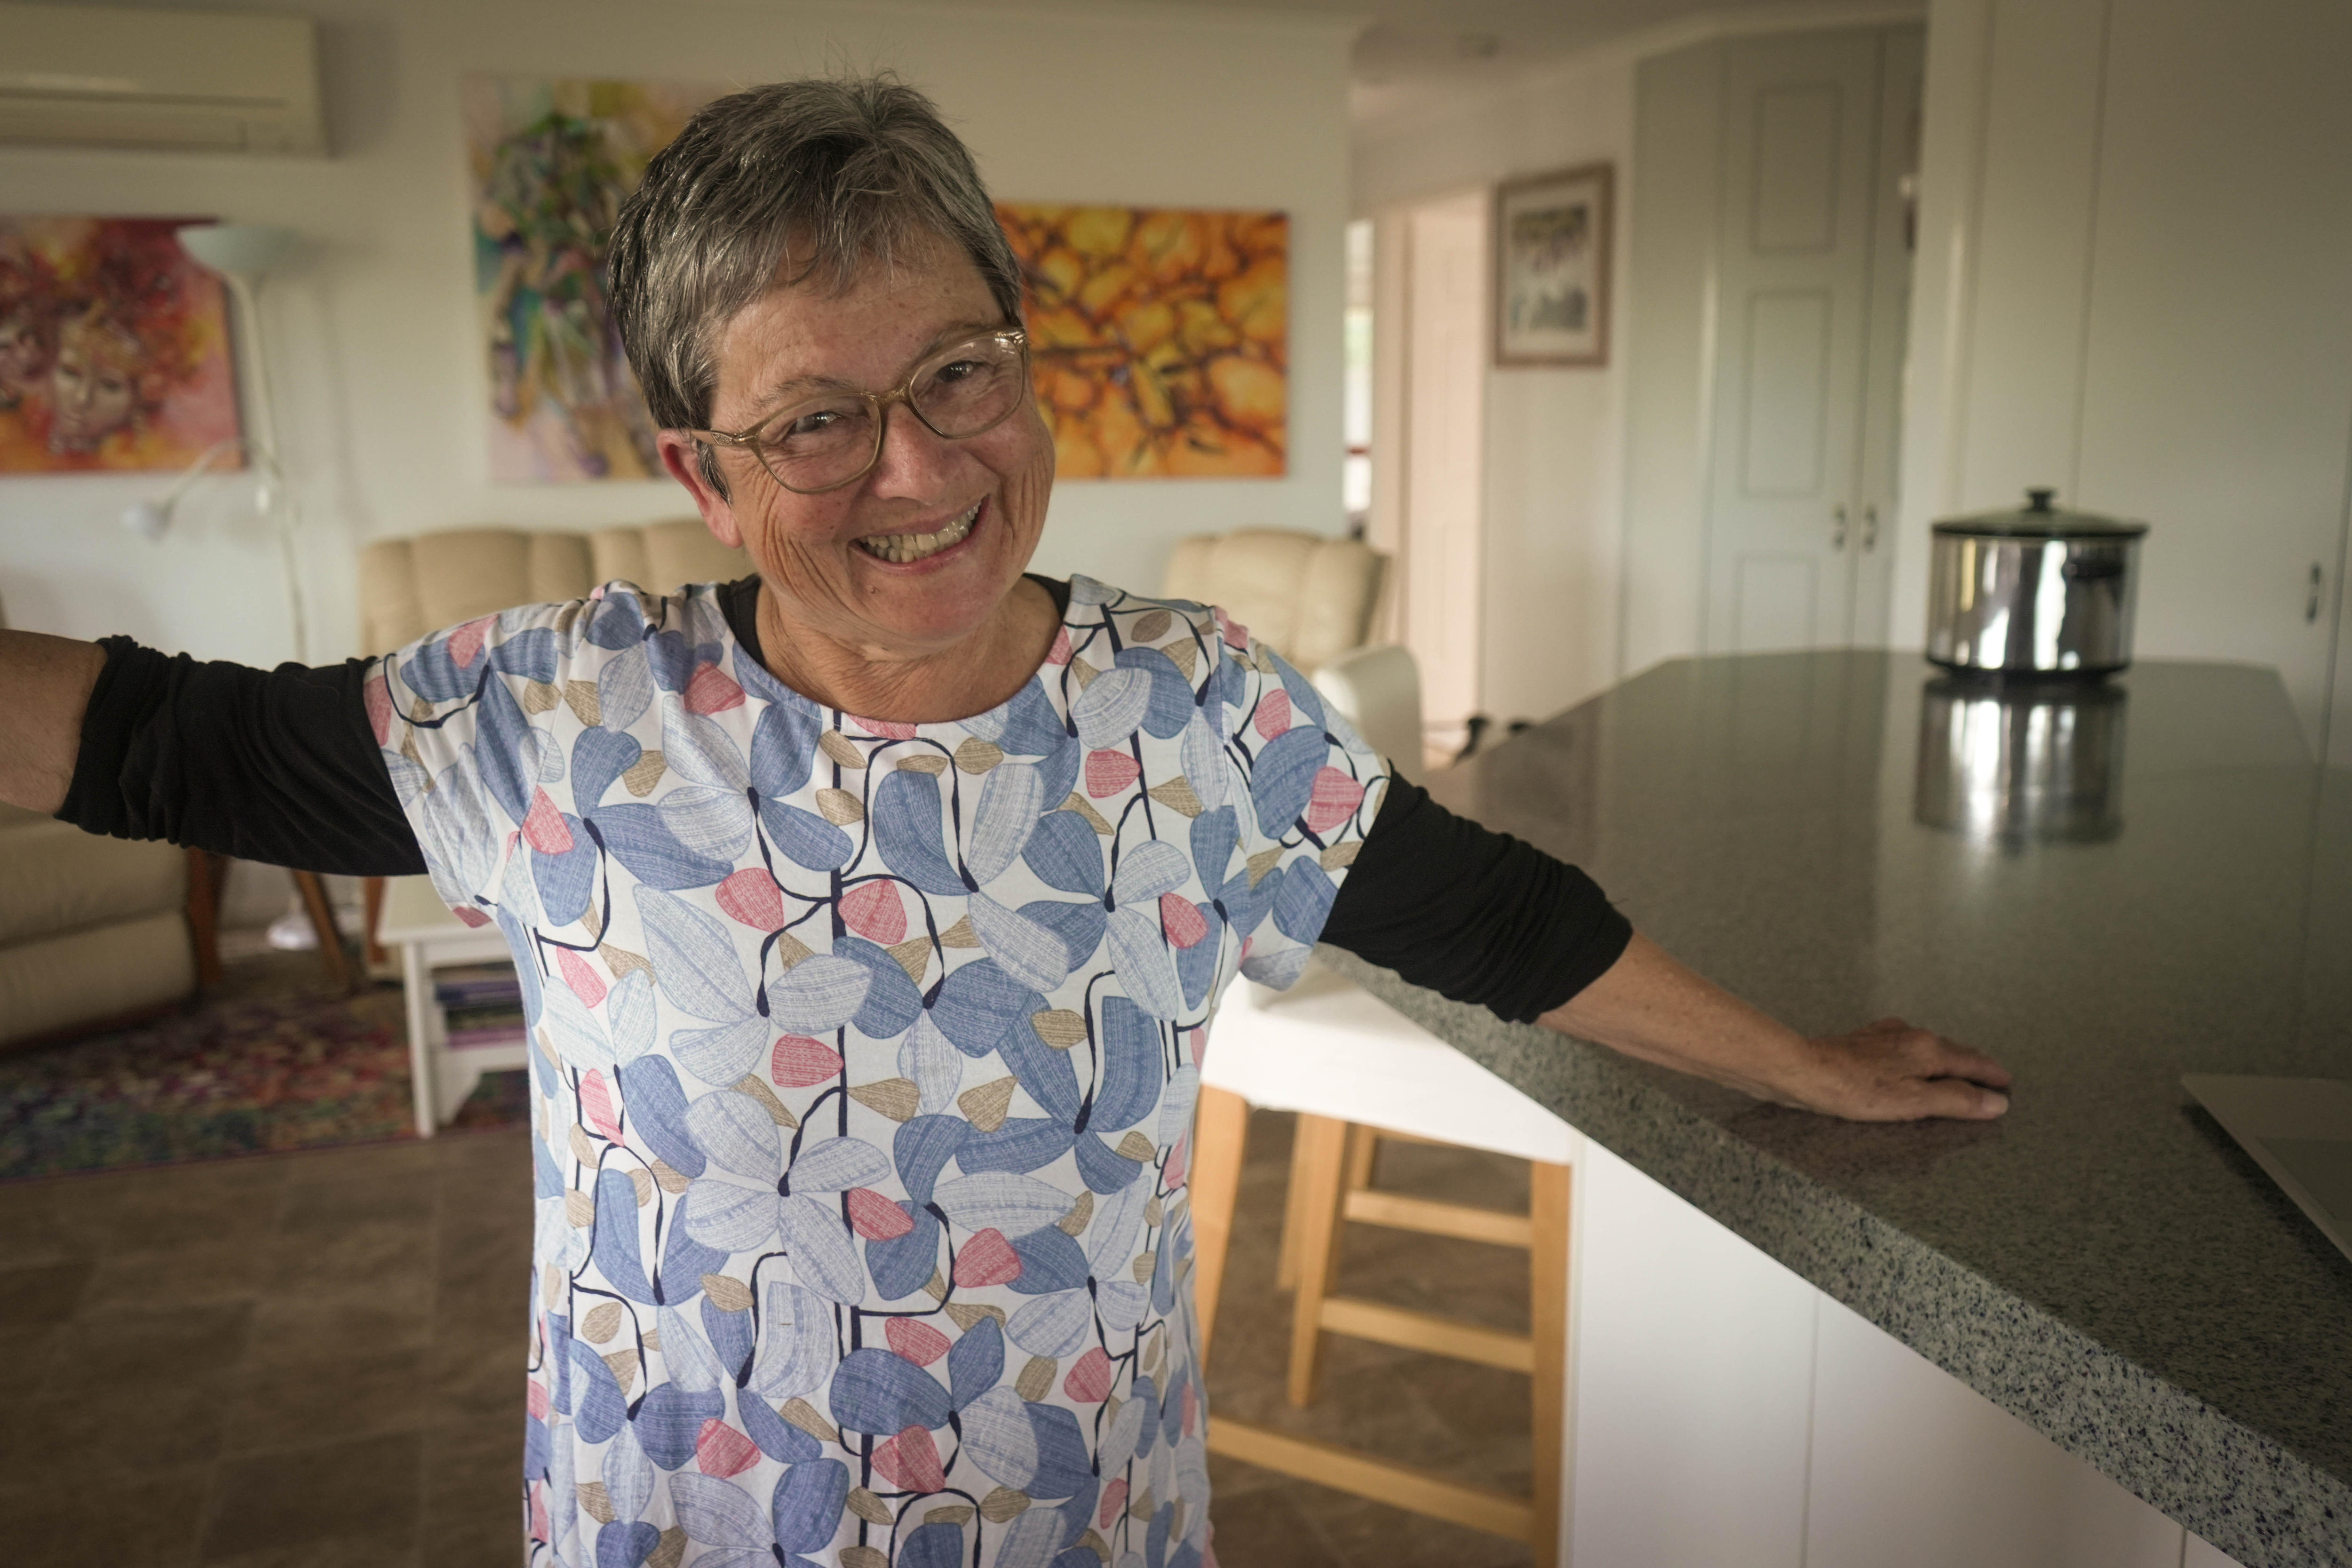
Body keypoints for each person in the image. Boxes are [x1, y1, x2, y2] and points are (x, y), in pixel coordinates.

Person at [0, 76, 2010, 1568]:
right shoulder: (555, 718)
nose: (918, 468)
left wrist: (1805, 1068)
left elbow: (1491, 915)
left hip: (1077, 1520)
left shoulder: (1196, 711)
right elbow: (146, 740)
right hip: (681, 1527)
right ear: (703, 474)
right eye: (817, 419)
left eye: (958, 374)